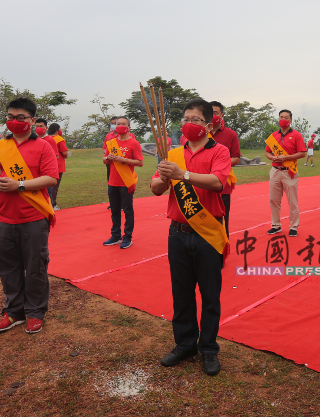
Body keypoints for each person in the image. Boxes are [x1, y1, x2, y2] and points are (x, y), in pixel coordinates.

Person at [150, 98, 230, 376]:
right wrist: (163, 177)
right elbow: (156, 188)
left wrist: (182, 174)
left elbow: (219, 182)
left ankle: (208, 348)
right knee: (181, 293)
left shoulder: (219, 151)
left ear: (208, 124)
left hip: (208, 233)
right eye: (185, 119)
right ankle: (185, 344)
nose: (189, 124)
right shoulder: (172, 153)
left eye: (195, 119)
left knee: (210, 295)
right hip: (178, 233)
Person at [0, 97, 59, 334]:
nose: (15, 121)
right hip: (2, 218)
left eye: (21, 117)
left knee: (35, 267)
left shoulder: (44, 146)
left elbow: (51, 178)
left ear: (33, 120)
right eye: (10, 117)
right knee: (6, 267)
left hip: (34, 218)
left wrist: (20, 185)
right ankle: (14, 312)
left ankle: (35, 312)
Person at [102, 116, 143, 249]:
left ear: (129, 127)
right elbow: (105, 160)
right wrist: (108, 158)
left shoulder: (134, 143)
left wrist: (122, 159)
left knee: (128, 210)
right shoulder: (111, 143)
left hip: (126, 182)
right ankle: (115, 236)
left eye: (123, 124)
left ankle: (127, 237)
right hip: (112, 181)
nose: (119, 126)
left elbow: (140, 162)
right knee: (114, 210)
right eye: (118, 124)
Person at [265, 109, 307, 237]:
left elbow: (302, 153)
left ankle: (293, 226)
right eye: (281, 117)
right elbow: (267, 152)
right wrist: (272, 158)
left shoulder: (296, 135)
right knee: (274, 200)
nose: (284, 119)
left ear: (291, 120)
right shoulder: (273, 136)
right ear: (278, 119)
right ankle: (276, 225)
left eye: (286, 117)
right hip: (275, 171)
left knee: (292, 201)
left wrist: (286, 158)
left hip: (290, 172)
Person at [210, 101, 241, 237]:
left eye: (215, 113)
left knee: (222, 218)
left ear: (222, 115)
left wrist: (219, 165)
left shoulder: (230, 134)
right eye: (209, 112)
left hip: (223, 183)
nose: (212, 115)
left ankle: (221, 252)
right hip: (200, 182)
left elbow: (236, 158)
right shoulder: (200, 133)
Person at [35, 118, 59, 199]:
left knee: (47, 193)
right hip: (35, 172)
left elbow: (56, 156)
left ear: (46, 128)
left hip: (46, 173)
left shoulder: (50, 140)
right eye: (37, 126)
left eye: (41, 126)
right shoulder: (33, 139)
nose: (38, 128)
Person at [47, 123, 68, 210]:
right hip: (58, 166)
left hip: (48, 165)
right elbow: (65, 153)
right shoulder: (60, 140)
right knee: (54, 187)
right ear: (57, 130)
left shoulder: (46, 139)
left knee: (47, 186)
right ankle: (53, 204)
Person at [103, 117, 119, 183]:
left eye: (115, 123)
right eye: (112, 123)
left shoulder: (123, 136)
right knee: (110, 178)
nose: (113, 125)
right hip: (110, 161)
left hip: (121, 161)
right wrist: (108, 155)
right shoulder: (108, 136)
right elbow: (104, 148)